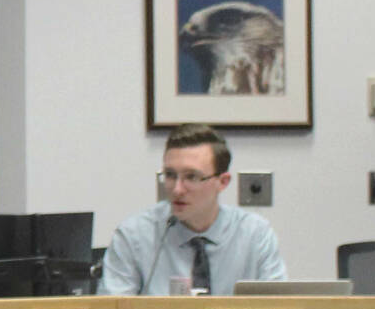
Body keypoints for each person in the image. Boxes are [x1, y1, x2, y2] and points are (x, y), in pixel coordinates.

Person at [100, 123, 286, 296]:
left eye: (192, 177)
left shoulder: (255, 234)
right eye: (171, 175)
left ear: (222, 182)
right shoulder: (135, 236)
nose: (177, 189)